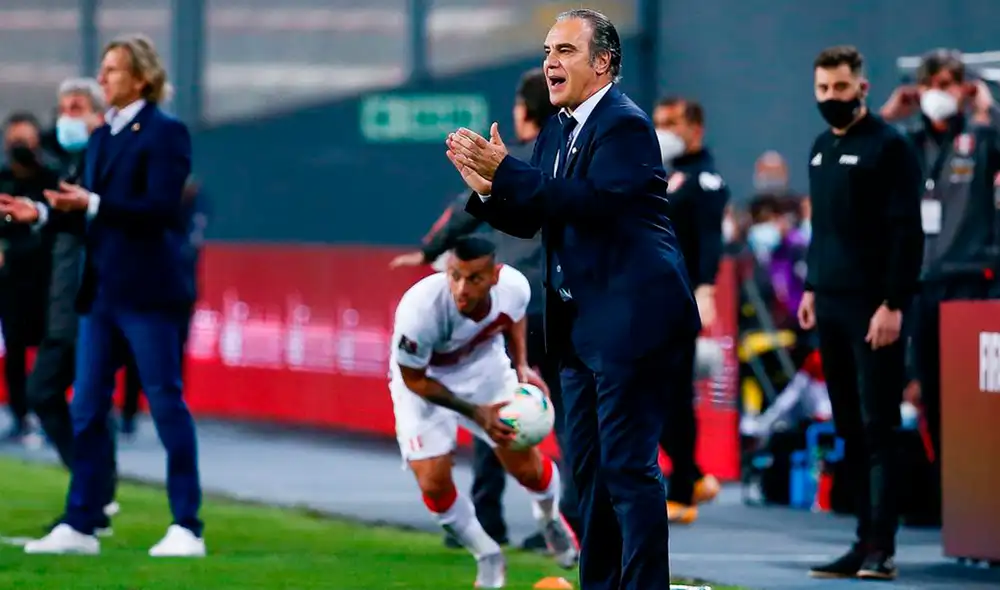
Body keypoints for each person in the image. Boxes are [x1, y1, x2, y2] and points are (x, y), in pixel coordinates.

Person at [447, 9, 699, 590]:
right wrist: (489, 191)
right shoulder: (560, 128)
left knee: (627, 469)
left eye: (565, 51)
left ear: (604, 62)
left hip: (634, 317)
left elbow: (595, 204)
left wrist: (508, 171)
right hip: (581, 321)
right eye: (547, 51)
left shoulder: (625, 125)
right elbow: (543, 210)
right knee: (587, 474)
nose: (550, 63)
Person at [5, 34, 205, 557]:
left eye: (113, 69)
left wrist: (91, 202)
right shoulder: (100, 139)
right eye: (104, 67)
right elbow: (89, 220)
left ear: (141, 77)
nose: (103, 77)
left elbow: (160, 210)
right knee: (87, 410)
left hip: (148, 293)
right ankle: (82, 523)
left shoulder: (166, 132)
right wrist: (44, 215)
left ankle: (188, 525)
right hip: (102, 294)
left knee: (165, 405)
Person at [390, 68, 580, 550]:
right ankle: (567, 517)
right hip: (558, 301)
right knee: (562, 411)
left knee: (499, 410)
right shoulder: (565, 162)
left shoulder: (508, 162)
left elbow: (460, 213)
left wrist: (428, 249)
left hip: (517, 303)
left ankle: (490, 517)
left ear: (522, 112)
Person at [798, 45, 923, 581]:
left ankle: (882, 548)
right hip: (828, 303)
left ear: (862, 89)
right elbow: (823, 231)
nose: (831, 98)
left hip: (875, 309)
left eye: (841, 88)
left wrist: (893, 303)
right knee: (848, 426)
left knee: (878, 427)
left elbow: (906, 233)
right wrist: (809, 288)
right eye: (823, 89)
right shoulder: (821, 147)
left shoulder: (890, 147)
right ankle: (860, 541)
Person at [390, 236, 578, 588]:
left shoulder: (514, 287)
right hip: (425, 382)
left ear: (494, 277)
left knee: (524, 466)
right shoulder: (419, 310)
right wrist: (477, 414)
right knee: (433, 484)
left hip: (484, 370)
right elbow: (414, 380)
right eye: (455, 276)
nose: (462, 288)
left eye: (473, 278)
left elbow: (515, 317)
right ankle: (488, 554)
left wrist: (522, 366)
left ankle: (549, 517)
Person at [884, 49, 1000, 525]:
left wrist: (985, 110)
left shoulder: (980, 136)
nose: (940, 92)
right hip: (921, 285)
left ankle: (982, 499)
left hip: (973, 283)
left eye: (950, 83)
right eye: (932, 82)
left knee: (973, 396)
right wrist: (890, 115)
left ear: (966, 88)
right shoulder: (907, 143)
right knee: (928, 393)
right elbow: (867, 154)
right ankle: (946, 497)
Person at [16, 78, 121, 534]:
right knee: (48, 394)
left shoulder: (108, 159)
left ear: (99, 113)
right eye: (62, 107)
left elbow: (115, 216)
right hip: (65, 297)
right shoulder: (75, 163)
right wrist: (37, 213)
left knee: (86, 402)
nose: (66, 115)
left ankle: (93, 501)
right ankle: (95, 494)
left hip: (90, 299)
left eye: (76, 106)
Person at [652, 95, 726, 524]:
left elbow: (710, 238)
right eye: (659, 121)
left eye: (672, 122)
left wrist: (708, 288)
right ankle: (694, 474)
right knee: (654, 392)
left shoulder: (705, 179)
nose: (664, 129)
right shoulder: (663, 171)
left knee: (674, 395)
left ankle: (681, 491)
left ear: (695, 128)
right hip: (652, 296)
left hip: (682, 297)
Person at [0, 112, 59, 441]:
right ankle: (20, 416)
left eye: (25, 140)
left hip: (49, 280)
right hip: (11, 282)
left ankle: (51, 412)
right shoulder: (3, 178)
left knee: (54, 348)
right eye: (14, 141)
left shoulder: (52, 179)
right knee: (16, 348)